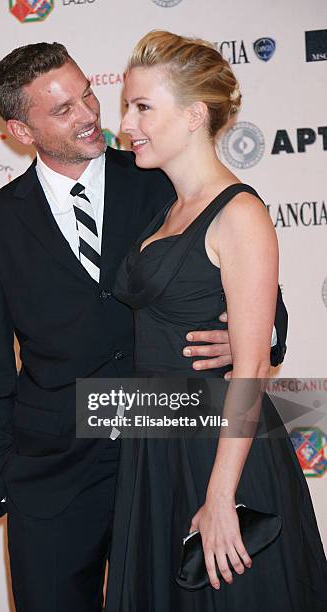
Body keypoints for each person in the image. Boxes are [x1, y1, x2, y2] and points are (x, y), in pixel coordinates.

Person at [0, 43, 288, 612]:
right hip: (54, 475)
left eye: (86, 93)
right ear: (20, 129)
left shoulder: (159, 177)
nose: (89, 113)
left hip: (168, 452)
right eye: (62, 110)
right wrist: (6, 473)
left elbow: (260, 297)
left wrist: (255, 338)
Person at [105, 31, 327, 611]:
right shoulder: (168, 207)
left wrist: (223, 493)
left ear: (195, 114)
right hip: (156, 442)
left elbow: (251, 364)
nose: (126, 122)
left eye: (143, 107)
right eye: (128, 106)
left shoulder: (241, 212)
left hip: (217, 447)